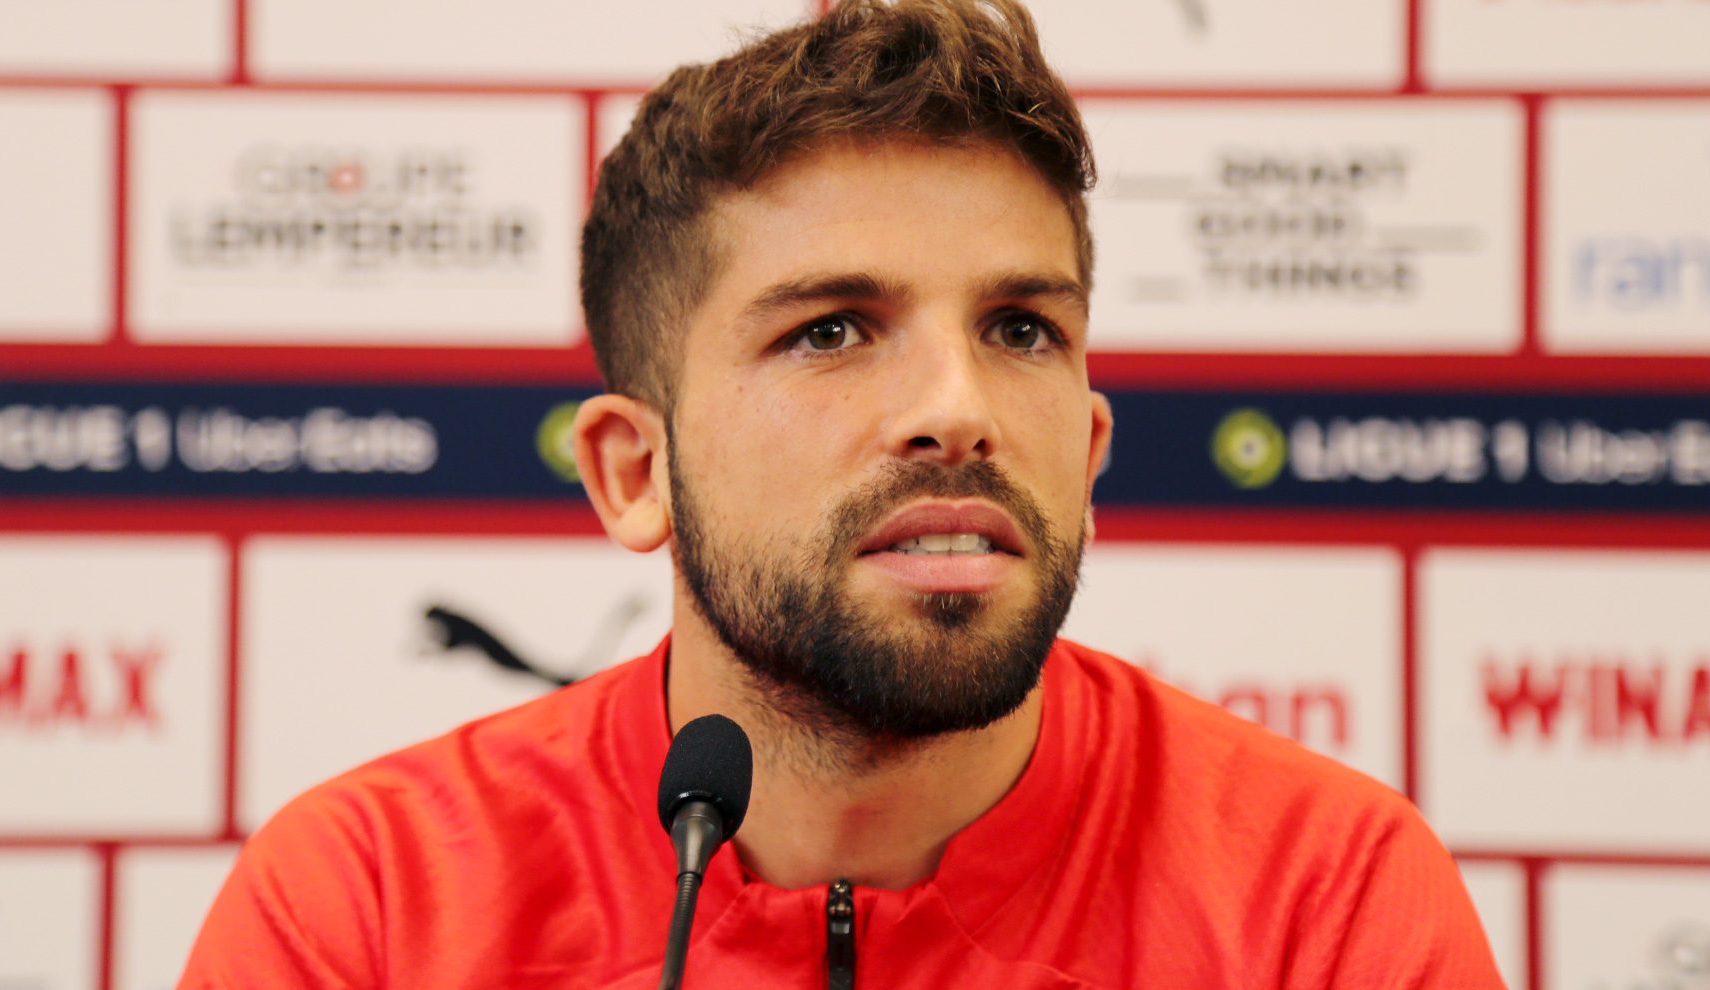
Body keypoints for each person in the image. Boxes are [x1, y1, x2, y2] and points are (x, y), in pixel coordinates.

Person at [180, 0, 1505, 985]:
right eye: (831, 330)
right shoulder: (368, 908)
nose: (959, 410)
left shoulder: (1324, 902)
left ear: (1091, 450)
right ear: (635, 472)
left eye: (1022, 329)